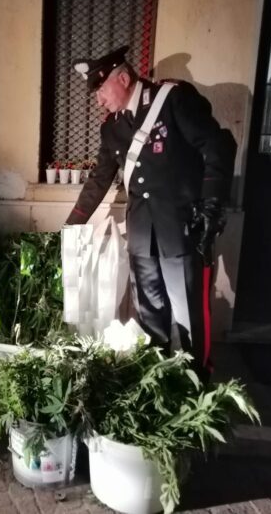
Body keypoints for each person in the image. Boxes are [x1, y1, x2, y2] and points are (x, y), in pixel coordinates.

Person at [66, 46, 236, 380]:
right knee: (151, 315)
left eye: (101, 90)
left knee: (188, 316)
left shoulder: (172, 100)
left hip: (183, 230)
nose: (98, 100)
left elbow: (218, 146)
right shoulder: (112, 128)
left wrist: (212, 204)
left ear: (124, 78)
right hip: (142, 236)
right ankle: (157, 380)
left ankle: (196, 383)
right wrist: (72, 224)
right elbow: (100, 178)